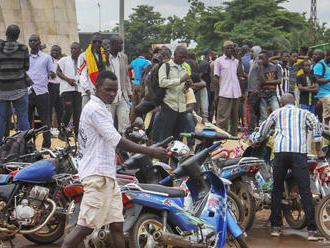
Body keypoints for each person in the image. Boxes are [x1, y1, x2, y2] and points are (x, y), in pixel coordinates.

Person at [61, 71, 167, 248]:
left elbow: (113, 137)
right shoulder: (95, 109)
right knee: (85, 227)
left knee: (117, 225)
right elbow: (116, 140)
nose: (112, 94)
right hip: (97, 177)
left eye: (115, 90)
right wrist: (151, 151)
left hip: (107, 176)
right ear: (97, 88)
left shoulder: (102, 108)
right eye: (107, 89)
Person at [252, 93, 324, 241]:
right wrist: (318, 148)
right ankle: (311, 230)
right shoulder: (304, 113)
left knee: (277, 189)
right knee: (305, 190)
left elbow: (263, 130)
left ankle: (276, 228)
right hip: (298, 153)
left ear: (281, 103)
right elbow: (317, 126)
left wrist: (256, 140)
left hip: (280, 153)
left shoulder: (276, 113)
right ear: (295, 102)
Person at [0, 24, 30, 142]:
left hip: (2, 90)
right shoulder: (23, 48)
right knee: (23, 118)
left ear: (6, 34)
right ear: (18, 35)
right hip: (20, 88)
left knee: (1, 119)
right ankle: (25, 145)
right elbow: (26, 67)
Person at [27, 34, 55, 148]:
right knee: (27, 120)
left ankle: (46, 146)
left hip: (42, 92)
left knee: (45, 120)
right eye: (31, 41)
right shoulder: (25, 57)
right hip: (27, 92)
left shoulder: (47, 58)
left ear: (39, 42)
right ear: (29, 43)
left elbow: (52, 72)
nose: (33, 42)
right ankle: (28, 145)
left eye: (35, 40)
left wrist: (52, 74)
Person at [157, 45, 191, 141]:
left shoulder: (184, 68)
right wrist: (180, 80)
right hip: (169, 105)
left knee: (178, 138)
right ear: (175, 55)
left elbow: (183, 90)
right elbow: (162, 83)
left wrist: (186, 87)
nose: (183, 59)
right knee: (166, 137)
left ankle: (175, 156)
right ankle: (163, 155)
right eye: (181, 56)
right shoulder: (166, 66)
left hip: (181, 108)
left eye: (185, 57)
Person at [103, 35, 132, 133]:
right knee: (108, 125)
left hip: (122, 96)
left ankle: (123, 147)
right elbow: (105, 75)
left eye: (122, 43)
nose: (121, 46)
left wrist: (129, 92)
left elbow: (126, 76)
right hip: (108, 98)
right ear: (112, 45)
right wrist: (106, 60)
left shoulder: (123, 57)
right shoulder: (104, 57)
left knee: (125, 125)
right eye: (119, 44)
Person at [214, 40, 243, 136]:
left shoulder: (236, 61)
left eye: (232, 48)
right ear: (223, 49)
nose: (230, 50)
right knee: (222, 118)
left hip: (236, 93)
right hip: (224, 93)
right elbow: (216, 78)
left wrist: (239, 59)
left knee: (235, 118)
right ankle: (220, 138)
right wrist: (216, 94)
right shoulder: (218, 61)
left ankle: (233, 138)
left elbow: (240, 74)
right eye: (228, 48)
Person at [57, 42, 82, 139]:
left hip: (78, 89)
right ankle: (62, 132)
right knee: (68, 110)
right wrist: (68, 79)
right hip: (66, 90)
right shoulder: (64, 60)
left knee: (77, 112)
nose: (73, 50)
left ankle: (77, 134)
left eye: (75, 49)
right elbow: (58, 72)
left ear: (80, 50)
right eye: (72, 48)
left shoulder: (82, 61)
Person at [78, 32, 106, 108]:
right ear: (91, 42)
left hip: (101, 90)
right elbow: (82, 74)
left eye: (99, 42)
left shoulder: (104, 55)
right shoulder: (83, 56)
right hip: (88, 91)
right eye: (94, 41)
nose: (97, 44)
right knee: (86, 116)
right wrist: (87, 90)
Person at [257, 50, 281, 123]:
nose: (260, 60)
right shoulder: (258, 68)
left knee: (276, 111)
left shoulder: (275, 67)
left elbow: (279, 81)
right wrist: (261, 67)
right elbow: (260, 82)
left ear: (267, 58)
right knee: (263, 115)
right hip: (262, 94)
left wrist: (266, 82)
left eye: (262, 58)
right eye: (259, 58)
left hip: (272, 93)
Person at [129, 46, 152, 120]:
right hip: (142, 85)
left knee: (134, 105)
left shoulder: (134, 61)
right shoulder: (147, 62)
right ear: (145, 53)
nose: (150, 56)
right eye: (149, 54)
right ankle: (142, 122)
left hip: (134, 84)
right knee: (142, 105)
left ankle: (132, 121)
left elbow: (128, 69)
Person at [314, 49, 330, 128]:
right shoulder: (319, 65)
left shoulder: (328, 65)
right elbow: (317, 80)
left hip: (328, 93)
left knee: (326, 116)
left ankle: (325, 136)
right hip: (323, 93)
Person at [48, 45, 63, 131]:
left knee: (60, 109)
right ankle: (49, 129)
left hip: (61, 87)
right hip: (51, 86)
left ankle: (61, 129)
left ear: (60, 51)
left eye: (57, 50)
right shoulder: (48, 60)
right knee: (49, 108)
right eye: (53, 50)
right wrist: (49, 74)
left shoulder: (63, 61)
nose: (54, 52)